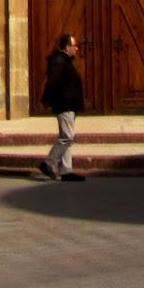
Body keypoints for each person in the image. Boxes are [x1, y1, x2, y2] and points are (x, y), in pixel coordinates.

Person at [39, 33, 86, 181]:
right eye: (74, 45)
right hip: (64, 104)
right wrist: (49, 98)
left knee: (67, 137)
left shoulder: (64, 61)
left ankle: (66, 170)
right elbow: (52, 82)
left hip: (68, 104)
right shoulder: (59, 62)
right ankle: (48, 163)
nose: (77, 48)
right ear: (67, 47)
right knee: (67, 136)